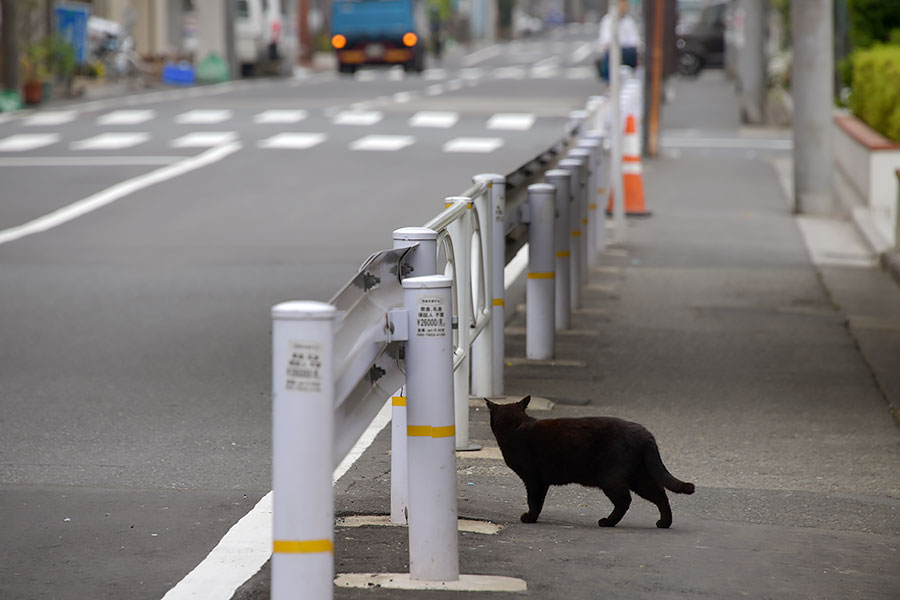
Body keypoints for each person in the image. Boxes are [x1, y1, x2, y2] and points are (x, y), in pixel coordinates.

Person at [596, 0, 641, 81]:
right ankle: (609, 82)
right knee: (609, 56)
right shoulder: (608, 20)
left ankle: (632, 79)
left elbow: (635, 40)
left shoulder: (629, 21)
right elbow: (605, 40)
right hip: (612, 50)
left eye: (625, 5)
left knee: (634, 55)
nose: (623, 8)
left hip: (627, 51)